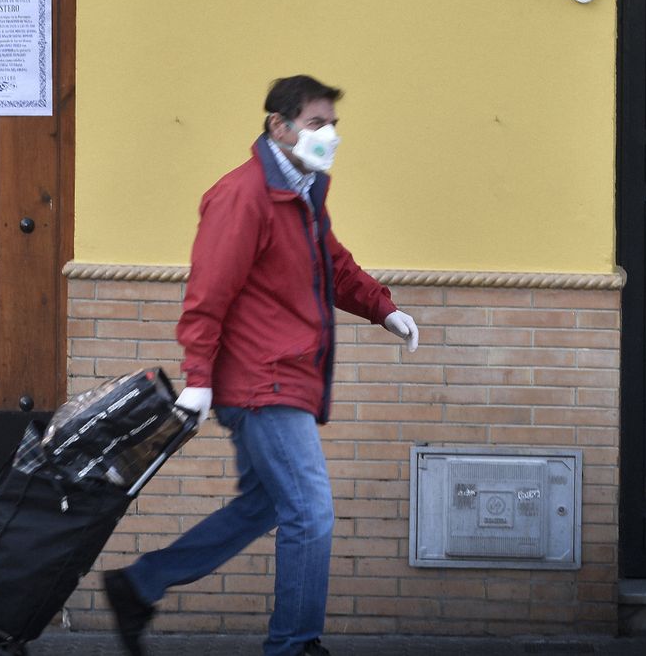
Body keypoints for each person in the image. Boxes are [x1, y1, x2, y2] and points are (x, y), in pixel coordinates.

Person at [103, 75, 420, 656]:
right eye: (317, 123)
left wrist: (383, 307)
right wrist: (199, 379)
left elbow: (332, 263)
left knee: (267, 505)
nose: (330, 135)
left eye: (333, 125)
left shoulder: (303, 191)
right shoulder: (243, 196)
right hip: (261, 382)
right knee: (310, 512)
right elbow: (207, 295)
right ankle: (294, 645)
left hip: (281, 378)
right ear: (280, 126)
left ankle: (140, 584)